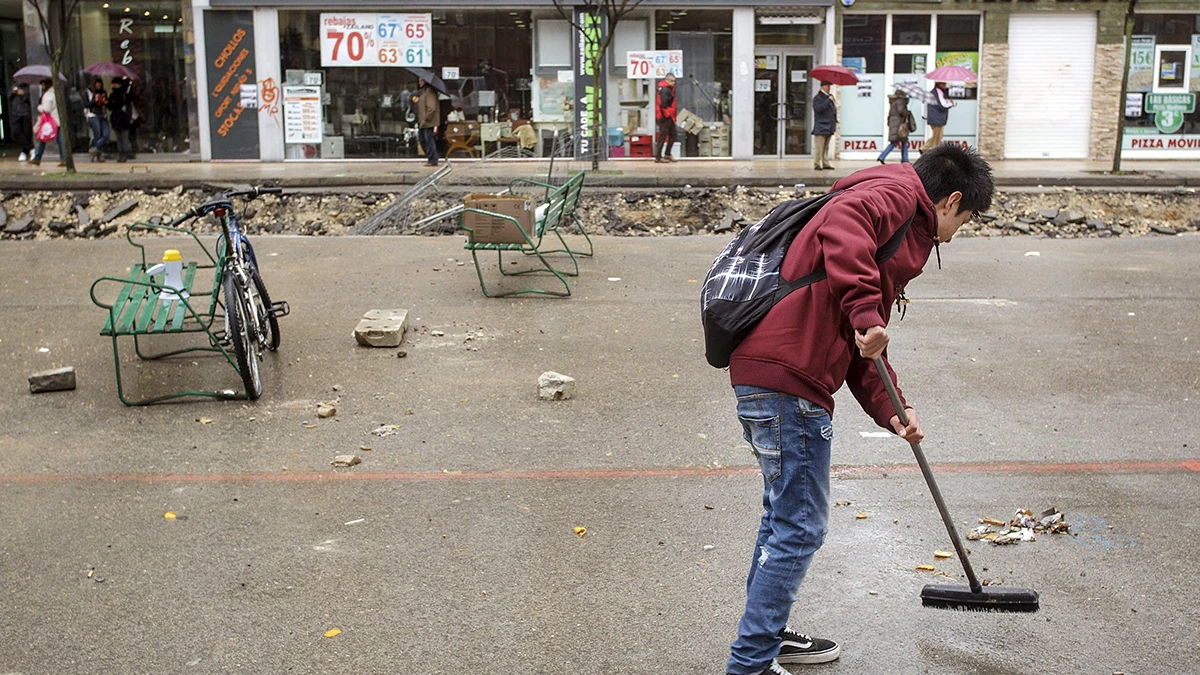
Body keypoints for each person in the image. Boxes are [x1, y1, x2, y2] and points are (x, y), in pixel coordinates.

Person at [723, 143, 994, 675]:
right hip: (789, 378)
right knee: (800, 526)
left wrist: (893, 409)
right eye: (965, 221)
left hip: (772, 371)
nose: (958, 233)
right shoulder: (894, 195)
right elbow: (843, 229)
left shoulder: (893, 208)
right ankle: (750, 663)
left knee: (784, 518)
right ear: (950, 201)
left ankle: (767, 639)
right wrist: (868, 311)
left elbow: (861, 343)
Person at [30, 79, 63, 167]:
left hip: (50, 121)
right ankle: (63, 158)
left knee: (43, 137)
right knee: (59, 140)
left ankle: (37, 158)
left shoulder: (48, 95)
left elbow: (47, 109)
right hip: (57, 119)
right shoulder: (56, 93)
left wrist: (40, 107)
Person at [877, 89, 915, 165]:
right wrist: (907, 112)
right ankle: (883, 156)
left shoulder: (893, 102)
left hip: (894, 124)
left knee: (902, 142)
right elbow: (901, 111)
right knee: (895, 142)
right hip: (899, 126)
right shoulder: (901, 101)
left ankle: (904, 159)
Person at [921, 81, 955, 153]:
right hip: (937, 118)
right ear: (939, 84)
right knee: (937, 138)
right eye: (943, 83)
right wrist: (950, 104)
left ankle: (924, 148)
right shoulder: (937, 93)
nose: (945, 85)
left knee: (938, 136)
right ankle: (930, 151)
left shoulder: (940, 92)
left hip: (937, 118)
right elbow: (941, 106)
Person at [107, 78, 134, 162]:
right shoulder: (112, 95)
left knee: (124, 137)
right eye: (113, 84)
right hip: (116, 119)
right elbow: (110, 107)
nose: (113, 86)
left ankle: (125, 154)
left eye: (115, 84)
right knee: (119, 138)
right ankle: (121, 154)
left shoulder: (124, 95)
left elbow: (128, 105)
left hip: (123, 119)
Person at [811, 81, 837, 171]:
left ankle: (826, 163)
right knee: (819, 147)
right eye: (827, 86)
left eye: (829, 86)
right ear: (822, 87)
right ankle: (817, 163)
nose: (829, 88)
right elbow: (818, 109)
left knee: (826, 147)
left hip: (829, 126)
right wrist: (828, 100)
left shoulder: (829, 97)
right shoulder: (818, 98)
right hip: (821, 126)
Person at [414, 77, 440, 166]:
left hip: (428, 122)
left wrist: (426, 119)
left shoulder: (429, 91)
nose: (420, 82)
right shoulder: (423, 92)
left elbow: (431, 108)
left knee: (428, 140)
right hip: (423, 122)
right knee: (422, 140)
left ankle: (433, 160)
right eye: (419, 80)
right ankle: (430, 158)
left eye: (422, 80)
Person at [84, 78, 110, 163]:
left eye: (100, 83)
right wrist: (94, 101)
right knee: (97, 134)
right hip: (93, 115)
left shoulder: (103, 92)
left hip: (102, 115)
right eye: (96, 83)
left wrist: (105, 101)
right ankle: (99, 154)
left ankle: (95, 149)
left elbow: (106, 104)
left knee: (106, 134)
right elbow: (86, 104)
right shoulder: (88, 92)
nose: (98, 85)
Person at [654, 72, 677, 163]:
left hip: (668, 115)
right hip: (665, 116)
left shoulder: (667, 89)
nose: (673, 83)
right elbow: (663, 104)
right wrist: (667, 114)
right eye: (672, 81)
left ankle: (667, 154)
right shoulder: (665, 90)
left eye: (674, 81)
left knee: (673, 134)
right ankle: (658, 157)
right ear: (666, 80)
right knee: (663, 136)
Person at [8, 82, 34, 162]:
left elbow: (32, 100)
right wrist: (13, 92)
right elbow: (9, 97)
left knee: (27, 132)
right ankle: (30, 147)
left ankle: (25, 152)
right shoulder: (14, 85)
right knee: (15, 133)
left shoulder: (28, 87)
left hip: (25, 113)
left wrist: (23, 94)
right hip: (15, 113)